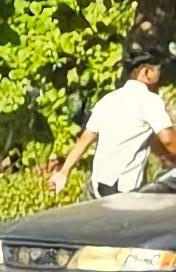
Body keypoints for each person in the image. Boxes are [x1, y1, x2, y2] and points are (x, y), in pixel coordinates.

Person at [50, 51, 176, 201]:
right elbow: (168, 140)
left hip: (97, 190)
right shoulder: (149, 100)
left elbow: (85, 139)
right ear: (146, 72)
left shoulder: (108, 100)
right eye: (159, 73)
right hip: (125, 192)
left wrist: (64, 171)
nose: (162, 80)